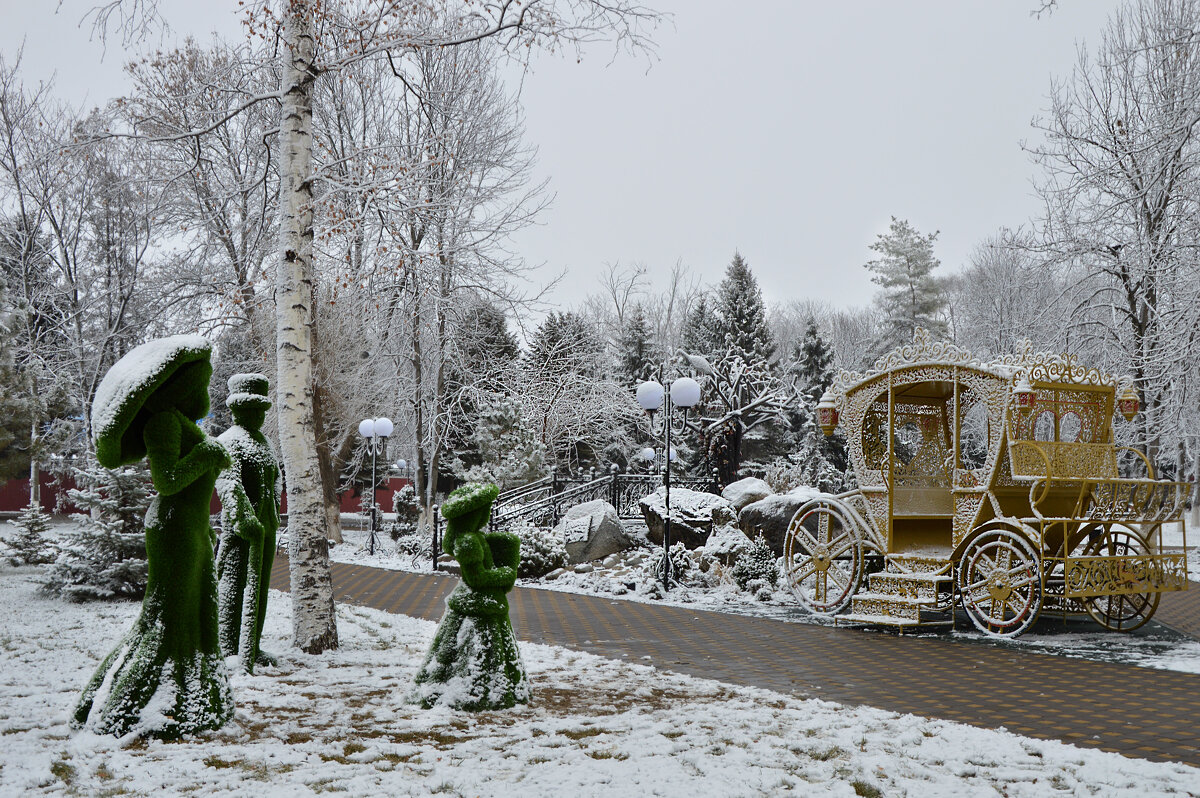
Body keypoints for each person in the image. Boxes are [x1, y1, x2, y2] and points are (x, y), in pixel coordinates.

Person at [74, 335, 234, 738]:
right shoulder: (164, 422)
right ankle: (132, 706)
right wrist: (208, 455)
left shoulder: (179, 422)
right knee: (167, 618)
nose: (206, 393)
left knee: (194, 613)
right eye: (201, 385)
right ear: (183, 388)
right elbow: (167, 481)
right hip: (173, 527)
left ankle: (195, 699)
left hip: (191, 526)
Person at [411, 482, 529, 710]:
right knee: (475, 649)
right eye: (486, 508)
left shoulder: (476, 537)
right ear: (477, 513)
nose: (489, 513)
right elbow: (477, 579)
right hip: (476, 603)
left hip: (481, 601)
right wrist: (506, 574)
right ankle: (475, 690)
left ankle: (493, 687)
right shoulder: (468, 542)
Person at [215, 373, 281, 672]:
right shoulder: (230, 442)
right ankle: (228, 646)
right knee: (235, 584)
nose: (256, 415)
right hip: (241, 532)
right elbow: (228, 484)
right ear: (235, 410)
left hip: (266, 527)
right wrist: (244, 518)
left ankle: (251, 643)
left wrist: (273, 514)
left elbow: (276, 480)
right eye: (249, 409)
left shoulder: (265, 443)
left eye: (260, 410)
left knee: (260, 587)